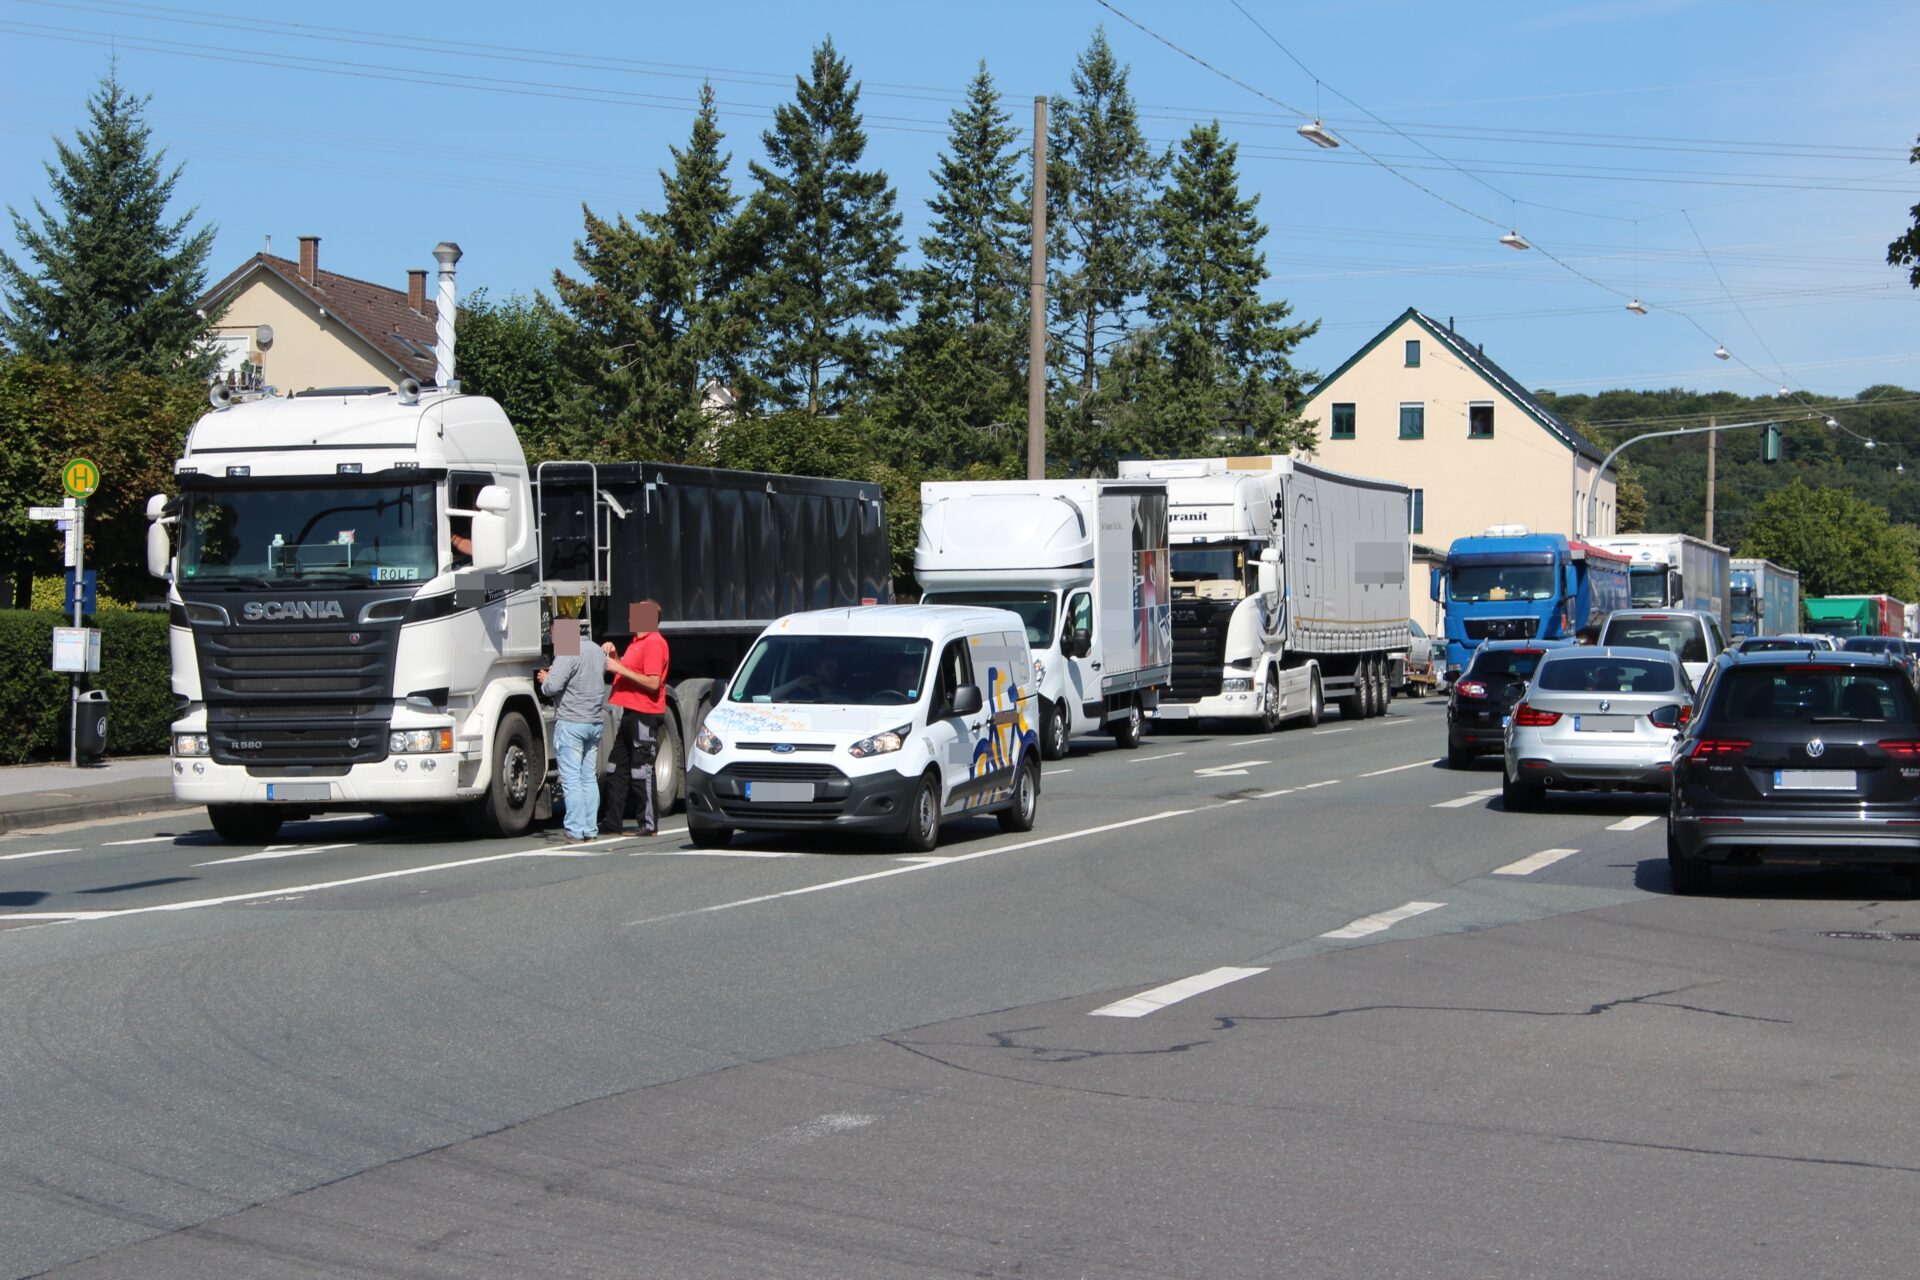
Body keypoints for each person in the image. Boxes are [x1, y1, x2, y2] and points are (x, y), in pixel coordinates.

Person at [600, 599, 670, 836]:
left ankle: (648, 824)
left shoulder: (654, 643)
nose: (631, 618)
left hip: (645, 713)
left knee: (642, 770)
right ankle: (612, 821)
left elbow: (653, 682)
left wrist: (618, 668)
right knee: (615, 767)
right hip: (630, 711)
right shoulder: (637, 642)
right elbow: (629, 672)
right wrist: (615, 656)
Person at [536, 620, 607, 842]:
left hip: (571, 722)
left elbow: (552, 687)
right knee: (588, 776)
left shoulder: (568, 652)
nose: (553, 639)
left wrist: (545, 679)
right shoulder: (596, 650)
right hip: (594, 722)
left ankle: (575, 829)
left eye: (553, 633)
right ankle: (590, 828)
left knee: (571, 779)